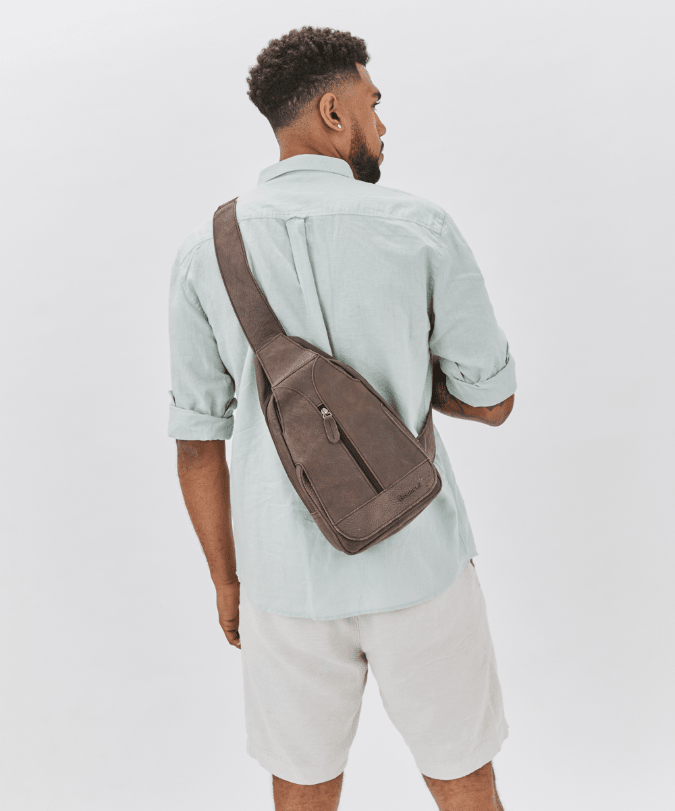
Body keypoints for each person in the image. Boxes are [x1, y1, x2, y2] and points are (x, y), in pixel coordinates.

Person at [168, 25, 516, 811]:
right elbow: (494, 399)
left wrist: (227, 581)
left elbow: (197, 441)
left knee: (300, 793)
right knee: (465, 782)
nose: (381, 124)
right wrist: (404, 380)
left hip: (281, 582)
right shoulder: (419, 226)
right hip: (420, 564)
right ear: (333, 111)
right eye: (372, 103)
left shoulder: (203, 252)